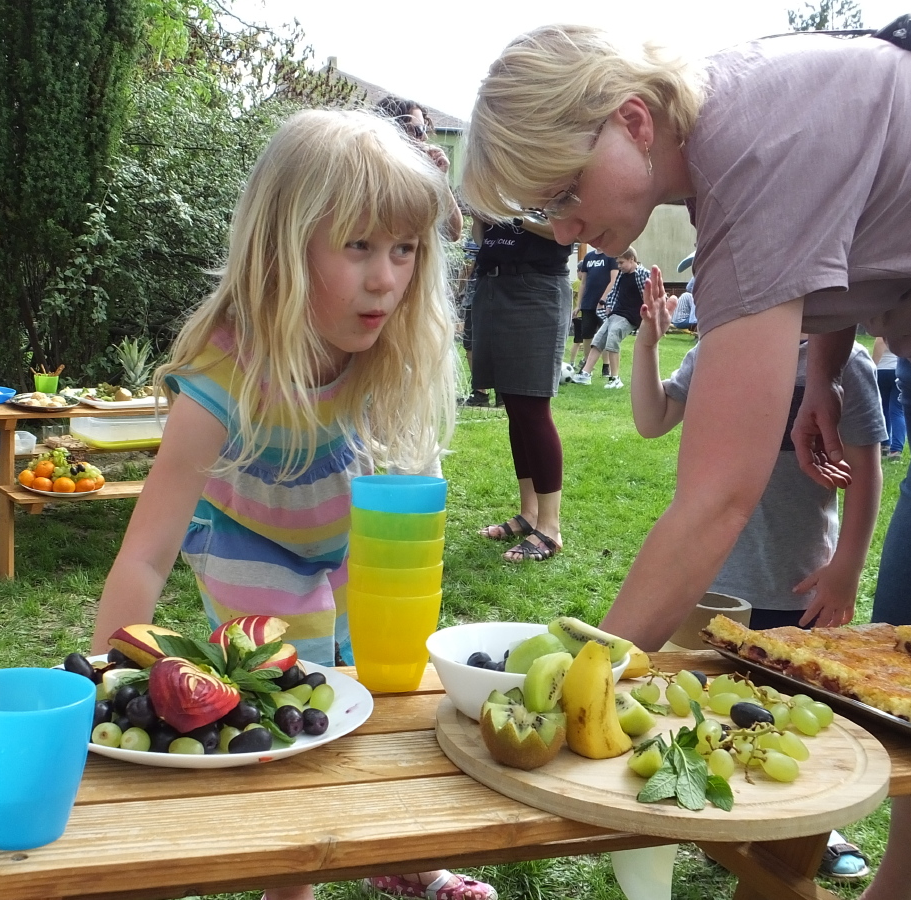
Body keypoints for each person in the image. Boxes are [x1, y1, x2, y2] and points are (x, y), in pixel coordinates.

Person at [460, 25, 911, 900]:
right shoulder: (738, 111)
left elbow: (718, 496)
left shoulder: (751, 157)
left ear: (633, 120)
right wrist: (824, 371)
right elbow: (857, 226)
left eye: (562, 192)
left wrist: (584, 679)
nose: (563, 230)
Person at [92, 110, 492, 900]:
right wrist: (109, 690)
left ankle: (397, 852)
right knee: (288, 706)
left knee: (378, 689)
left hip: (342, 535)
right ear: (282, 249)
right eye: (358, 246)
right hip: (249, 542)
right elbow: (145, 555)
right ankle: (291, 882)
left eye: (404, 249)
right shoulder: (222, 378)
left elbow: (407, 486)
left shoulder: (384, 348)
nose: (386, 278)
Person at [632, 286, 884, 881]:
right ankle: (724, 806)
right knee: (713, 702)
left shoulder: (844, 363)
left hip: (795, 582)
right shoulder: (718, 349)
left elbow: (866, 470)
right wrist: (647, 345)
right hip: (713, 581)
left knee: (795, 708)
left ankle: (811, 825)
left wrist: (847, 567)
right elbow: (653, 419)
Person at [468, 217, 573, 562]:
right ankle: (530, 514)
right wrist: (483, 213)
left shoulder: (549, 181)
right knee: (514, 403)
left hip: (536, 287)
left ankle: (550, 528)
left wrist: (510, 213)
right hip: (493, 284)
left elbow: (567, 229)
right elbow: (482, 237)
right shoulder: (494, 184)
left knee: (531, 407)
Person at [376, 95, 463, 242]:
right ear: (393, 130)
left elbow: (453, 233)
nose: (424, 137)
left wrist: (440, 179)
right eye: (417, 130)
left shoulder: (423, 179)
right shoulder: (371, 179)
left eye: (424, 129)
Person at [575, 246, 648, 388]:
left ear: (631, 259)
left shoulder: (643, 274)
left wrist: (647, 316)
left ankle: (615, 378)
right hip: (616, 313)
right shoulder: (622, 275)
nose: (618, 266)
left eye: (621, 262)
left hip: (630, 316)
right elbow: (614, 291)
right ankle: (585, 374)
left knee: (613, 337)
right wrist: (607, 304)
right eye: (617, 263)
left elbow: (650, 295)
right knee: (598, 339)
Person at [567, 245, 616, 370]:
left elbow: (613, 280)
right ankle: (587, 366)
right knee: (586, 334)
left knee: (605, 334)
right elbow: (583, 282)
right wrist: (579, 305)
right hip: (588, 303)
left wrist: (603, 299)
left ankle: (606, 366)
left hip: (604, 304)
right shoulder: (588, 257)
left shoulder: (610, 256)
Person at [871, 336, 905, 459]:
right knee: (897, 410)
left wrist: (872, 365)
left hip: (884, 370)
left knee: (884, 408)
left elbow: (881, 341)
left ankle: (885, 444)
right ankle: (895, 448)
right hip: (900, 370)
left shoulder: (886, 327)